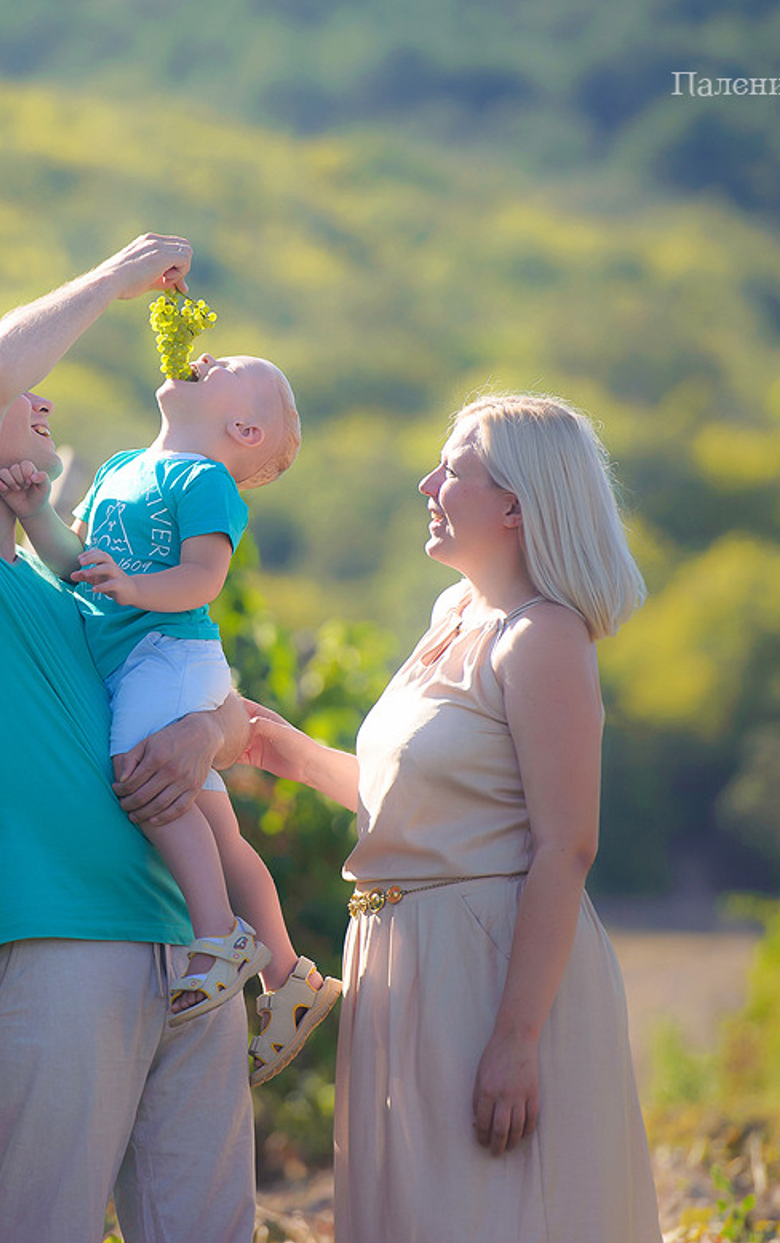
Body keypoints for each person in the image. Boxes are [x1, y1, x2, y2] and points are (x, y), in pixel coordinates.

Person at [0, 235, 258, 1243]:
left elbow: (229, 711)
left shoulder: (70, 587)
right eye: (27, 395)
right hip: (51, 947)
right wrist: (115, 279)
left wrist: (204, 732)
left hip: (192, 953)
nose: (44, 403)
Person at [239, 392, 662, 1242]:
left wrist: (515, 1041)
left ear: (515, 504)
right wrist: (268, 744)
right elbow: (411, 802)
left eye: (453, 470)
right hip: (403, 965)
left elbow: (565, 848)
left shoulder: (541, 637)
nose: (427, 483)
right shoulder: (455, 618)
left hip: (487, 972)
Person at [0, 349, 341, 1083]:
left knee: (141, 775)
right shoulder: (122, 465)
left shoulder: (202, 479)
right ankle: (289, 974)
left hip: (168, 654)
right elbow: (79, 563)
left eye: (231, 363)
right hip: (143, 663)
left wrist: (135, 589)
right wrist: (34, 514)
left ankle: (218, 936)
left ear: (243, 428)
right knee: (217, 828)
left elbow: (203, 577)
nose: (205, 352)